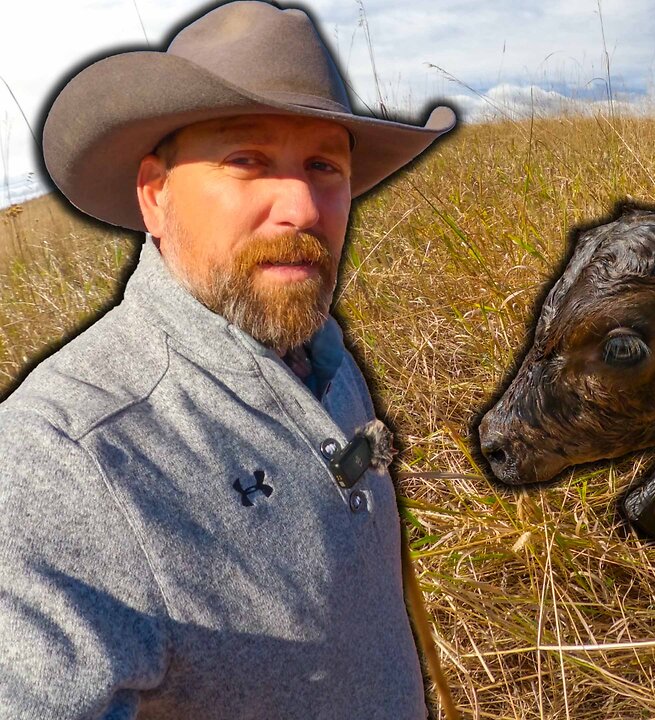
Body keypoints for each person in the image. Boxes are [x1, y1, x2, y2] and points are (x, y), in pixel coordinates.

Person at [0, 2, 455, 718]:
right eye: (247, 161)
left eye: (322, 165)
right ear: (155, 194)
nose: (302, 207)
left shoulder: (328, 361)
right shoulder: (63, 460)